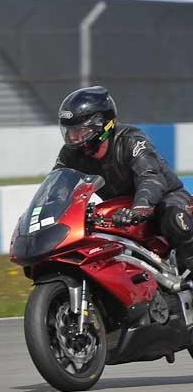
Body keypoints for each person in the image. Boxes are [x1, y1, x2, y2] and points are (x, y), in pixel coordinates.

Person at [55, 86, 193, 271]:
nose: (74, 137)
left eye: (80, 130)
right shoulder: (70, 154)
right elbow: (58, 185)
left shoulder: (131, 140)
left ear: (102, 126)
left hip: (163, 198)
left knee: (174, 218)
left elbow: (150, 177)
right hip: (119, 209)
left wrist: (141, 207)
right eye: (70, 131)